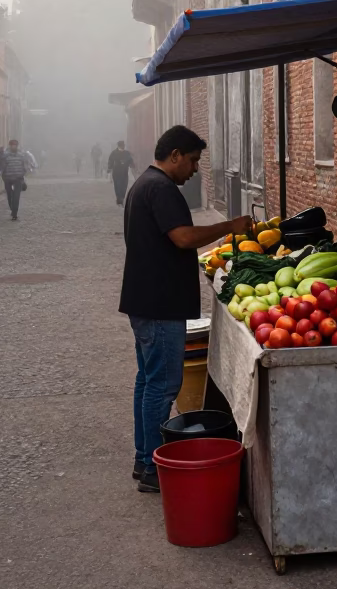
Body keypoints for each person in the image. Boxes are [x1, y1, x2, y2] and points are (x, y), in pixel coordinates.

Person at [119, 124, 254, 493]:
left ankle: (142, 457)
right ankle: (151, 466)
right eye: (192, 160)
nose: (195, 169)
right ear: (174, 155)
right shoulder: (161, 189)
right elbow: (182, 237)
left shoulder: (144, 184)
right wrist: (231, 227)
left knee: (147, 381)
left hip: (144, 300)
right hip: (159, 304)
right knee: (163, 386)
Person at [0, 139, 34, 220]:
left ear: (17, 146)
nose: (13, 146)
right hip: (8, 178)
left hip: (18, 178)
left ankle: (14, 213)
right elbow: (3, 167)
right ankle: (12, 207)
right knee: (9, 195)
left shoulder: (22, 155)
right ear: (10, 146)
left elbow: (25, 165)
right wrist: (1, 174)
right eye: (12, 145)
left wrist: (25, 173)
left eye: (15, 145)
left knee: (16, 196)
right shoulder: (5, 155)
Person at [108, 140, 135, 205]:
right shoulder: (114, 153)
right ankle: (119, 198)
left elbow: (130, 160)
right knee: (117, 185)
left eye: (123, 145)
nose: (123, 146)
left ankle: (121, 197)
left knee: (124, 185)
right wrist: (109, 168)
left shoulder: (127, 153)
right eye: (122, 145)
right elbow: (110, 160)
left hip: (124, 172)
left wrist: (132, 165)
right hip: (116, 172)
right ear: (119, 146)